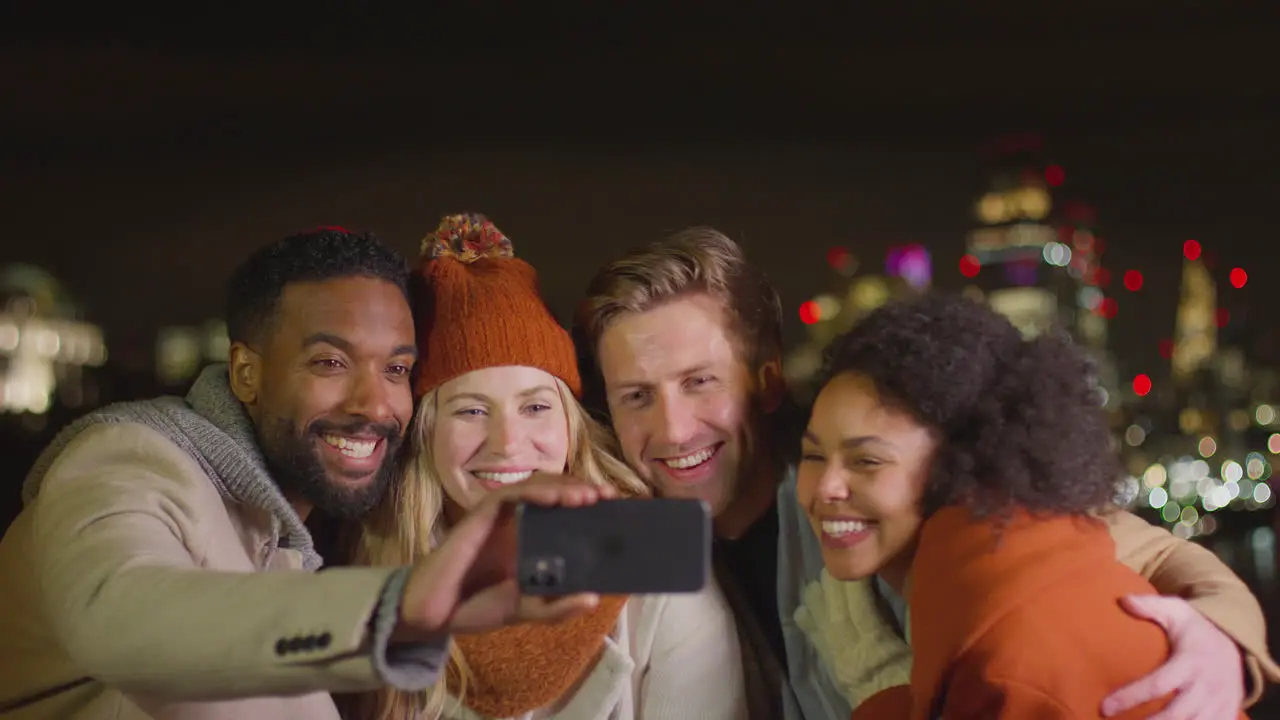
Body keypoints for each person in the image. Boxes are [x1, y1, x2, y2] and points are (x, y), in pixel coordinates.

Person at [573, 226, 1279, 719]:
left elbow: (1154, 550)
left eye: (699, 383)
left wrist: (1221, 640)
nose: (670, 429)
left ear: (764, 382)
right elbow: (487, 555)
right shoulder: (646, 529)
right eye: (636, 396)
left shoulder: (872, 502)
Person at [0, 227, 609, 720]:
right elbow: (122, 620)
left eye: (397, 370)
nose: (373, 404)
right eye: (330, 361)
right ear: (246, 373)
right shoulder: (129, 462)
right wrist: (397, 610)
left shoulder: (312, 535)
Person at [345, 214, 747, 720]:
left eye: (535, 406)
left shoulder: (661, 573)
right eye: (471, 410)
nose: (509, 443)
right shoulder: (368, 578)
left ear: (571, 424)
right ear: (425, 431)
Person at [800, 293, 1247, 719]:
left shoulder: (1009, 648)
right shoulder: (1015, 553)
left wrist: (883, 694)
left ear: (963, 462)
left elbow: (1164, 552)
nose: (826, 488)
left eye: (867, 461)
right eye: (813, 456)